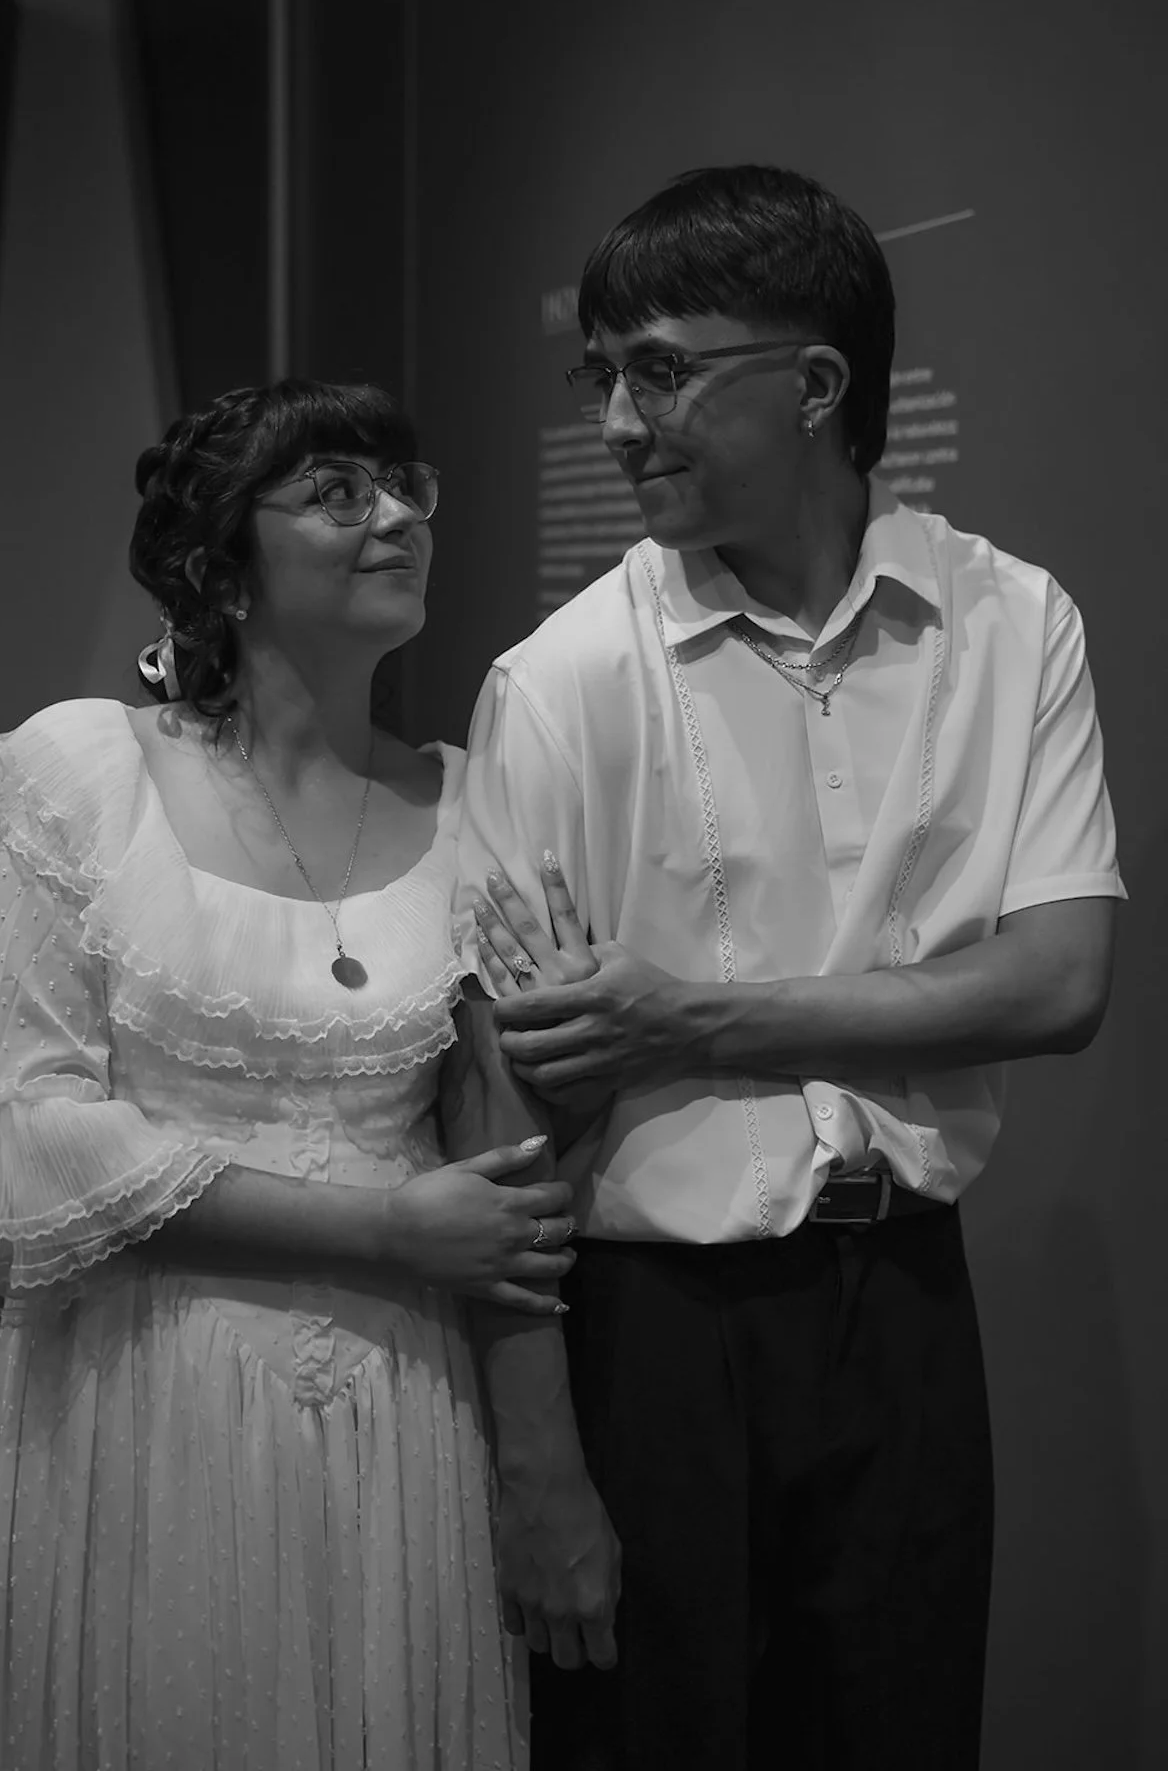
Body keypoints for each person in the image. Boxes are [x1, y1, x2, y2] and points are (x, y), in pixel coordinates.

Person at [451, 165, 1124, 1771]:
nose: (620, 417)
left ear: (817, 384)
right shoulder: (559, 684)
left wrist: (690, 1021)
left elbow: (1058, 985)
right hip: (651, 1330)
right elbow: (499, 1113)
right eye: (601, 373)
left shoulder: (1011, 623)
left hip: (902, 1301)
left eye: (664, 370)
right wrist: (537, 1466)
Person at [0, 378, 582, 1771]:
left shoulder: (466, 801)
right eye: (337, 492)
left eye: (406, 484)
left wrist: (540, 1455)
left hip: (409, 1401)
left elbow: (503, 1133)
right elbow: (34, 1125)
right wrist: (385, 1224)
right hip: (159, 1385)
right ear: (220, 565)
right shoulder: (85, 772)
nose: (395, 517)